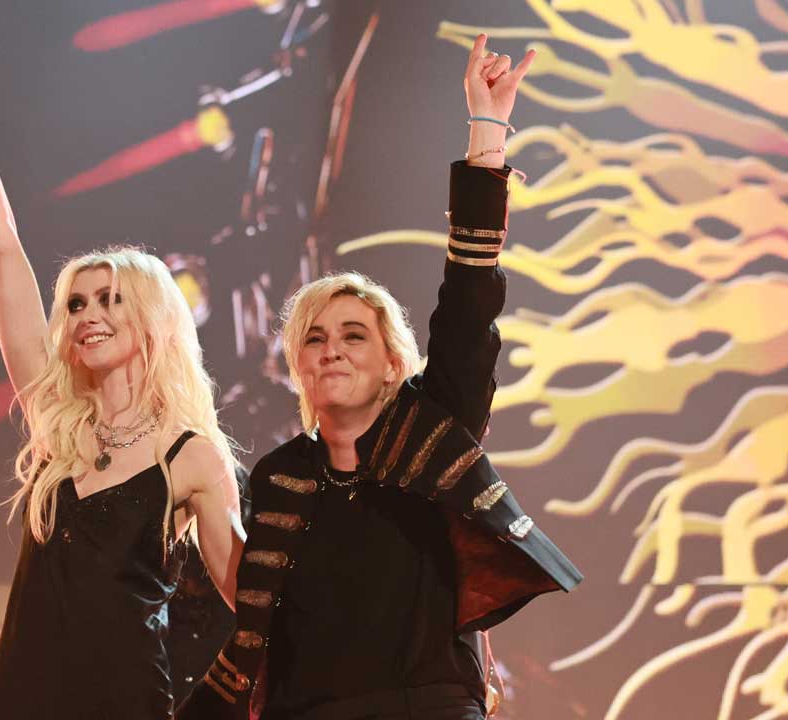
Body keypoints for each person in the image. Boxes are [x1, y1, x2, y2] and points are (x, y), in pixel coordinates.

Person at [176, 34, 582, 720]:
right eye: (314, 338)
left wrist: (486, 130)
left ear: (395, 361)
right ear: (298, 368)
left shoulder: (434, 425)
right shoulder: (279, 478)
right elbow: (254, 636)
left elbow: (469, 301)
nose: (331, 350)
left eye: (353, 335)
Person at [0, 34, 246, 718]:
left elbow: (250, 604)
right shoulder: (57, 423)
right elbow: (1, 252)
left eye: (110, 300)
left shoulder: (189, 455)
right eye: (76, 304)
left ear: (153, 321)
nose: (88, 316)